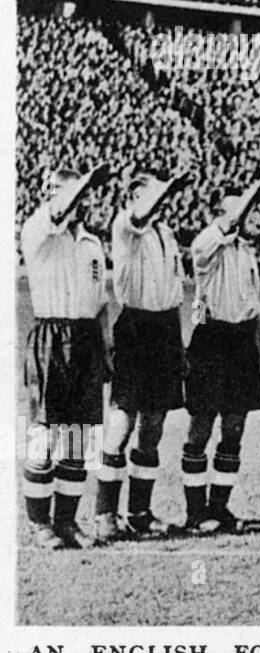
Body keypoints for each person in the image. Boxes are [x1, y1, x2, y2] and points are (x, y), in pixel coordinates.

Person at [180, 168, 260, 533]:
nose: (241, 216)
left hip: (241, 342)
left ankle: (219, 507)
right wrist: (259, 186)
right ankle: (195, 513)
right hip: (211, 339)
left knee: (236, 427)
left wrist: (259, 355)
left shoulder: (246, 251)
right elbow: (201, 303)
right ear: (217, 215)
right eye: (233, 211)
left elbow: (253, 306)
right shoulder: (205, 243)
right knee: (201, 426)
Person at [21, 165, 113, 549]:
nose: (72, 198)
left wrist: (106, 344)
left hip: (86, 339)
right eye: (62, 190)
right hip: (51, 338)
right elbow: (60, 209)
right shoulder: (38, 230)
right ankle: (39, 523)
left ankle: (67, 522)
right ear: (48, 192)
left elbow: (101, 301)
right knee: (45, 434)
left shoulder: (92, 242)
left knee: (78, 438)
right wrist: (84, 182)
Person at [99, 170, 192, 540]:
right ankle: (104, 513)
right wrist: (167, 188)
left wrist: (180, 341)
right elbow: (140, 214)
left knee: (153, 425)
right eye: (154, 192)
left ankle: (139, 512)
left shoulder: (165, 233)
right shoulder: (125, 225)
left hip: (165, 329)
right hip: (136, 327)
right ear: (136, 195)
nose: (163, 198)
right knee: (122, 420)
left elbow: (176, 290)